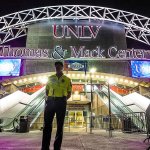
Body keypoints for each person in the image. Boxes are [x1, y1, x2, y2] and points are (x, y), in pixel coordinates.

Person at [41, 61, 72, 150]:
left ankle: (57, 147)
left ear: (62, 68)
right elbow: (47, 90)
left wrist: (63, 100)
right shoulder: (50, 78)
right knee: (47, 125)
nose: (57, 68)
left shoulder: (67, 79)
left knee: (60, 125)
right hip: (50, 102)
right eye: (56, 67)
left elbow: (69, 93)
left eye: (59, 67)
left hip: (61, 102)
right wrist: (50, 98)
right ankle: (45, 147)